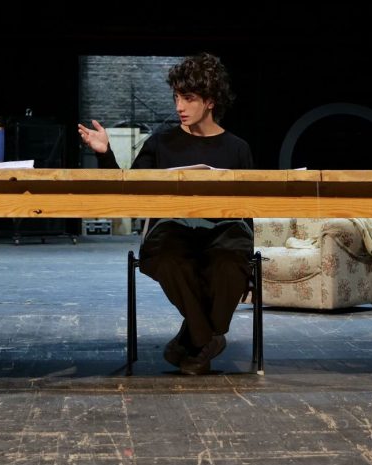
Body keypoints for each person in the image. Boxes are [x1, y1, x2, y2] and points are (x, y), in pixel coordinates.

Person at [78, 52, 254, 374]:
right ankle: (207, 339)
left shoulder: (237, 148)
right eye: (176, 97)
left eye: (188, 98)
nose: (179, 107)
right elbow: (129, 191)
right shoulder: (160, 143)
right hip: (172, 230)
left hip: (224, 231)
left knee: (230, 263)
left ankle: (191, 341)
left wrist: (249, 262)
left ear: (210, 101)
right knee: (170, 258)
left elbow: (248, 209)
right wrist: (105, 154)